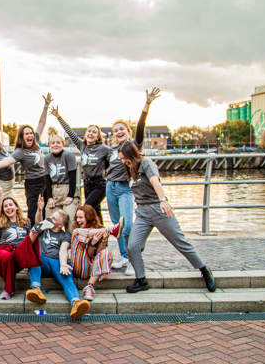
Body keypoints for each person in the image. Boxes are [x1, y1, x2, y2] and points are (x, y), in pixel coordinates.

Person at [118, 142, 216, 293]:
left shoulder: (146, 163)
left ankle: (204, 270)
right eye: (121, 159)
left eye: (124, 158)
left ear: (132, 154)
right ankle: (141, 279)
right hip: (142, 213)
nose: (123, 161)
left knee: (180, 242)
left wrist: (163, 200)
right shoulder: (130, 169)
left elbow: (154, 181)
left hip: (158, 209)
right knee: (132, 246)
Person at [0, 94, 53, 225]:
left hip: (33, 182)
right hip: (4, 188)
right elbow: (0, 166)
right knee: (2, 215)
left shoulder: (3, 148)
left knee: (20, 212)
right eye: (26, 133)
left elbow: (41, 123)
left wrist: (46, 106)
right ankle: (0, 236)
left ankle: (20, 234)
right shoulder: (10, 154)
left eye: (30, 133)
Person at [107, 87, 160, 276]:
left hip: (124, 188)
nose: (119, 132)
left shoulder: (133, 145)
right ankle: (123, 255)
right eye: (116, 130)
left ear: (127, 131)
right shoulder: (112, 149)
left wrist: (146, 106)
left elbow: (141, 128)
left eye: (122, 129)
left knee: (128, 225)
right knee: (116, 224)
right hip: (110, 187)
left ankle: (132, 258)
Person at [26, 202, 92, 319]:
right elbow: (37, 225)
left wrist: (63, 264)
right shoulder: (44, 229)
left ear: (60, 224)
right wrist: (40, 210)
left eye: (54, 218)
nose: (51, 219)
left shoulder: (65, 235)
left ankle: (76, 303)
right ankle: (36, 289)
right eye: (51, 217)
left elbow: (63, 250)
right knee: (35, 257)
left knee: (67, 275)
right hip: (43, 263)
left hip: (57, 261)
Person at [50, 105, 111, 222]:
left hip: (100, 184)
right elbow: (70, 132)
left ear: (98, 136)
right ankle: (101, 236)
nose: (91, 134)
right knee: (95, 211)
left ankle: (92, 234)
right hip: (87, 184)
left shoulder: (104, 149)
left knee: (87, 208)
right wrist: (58, 117)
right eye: (89, 131)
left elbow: (112, 161)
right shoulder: (82, 146)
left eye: (94, 132)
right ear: (85, 134)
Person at [0, 181, 42, 300]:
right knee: (6, 255)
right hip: (4, 251)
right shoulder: (0, 223)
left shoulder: (26, 222)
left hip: (21, 252)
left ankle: (36, 288)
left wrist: (39, 210)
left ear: (16, 207)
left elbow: (36, 228)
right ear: (3, 210)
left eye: (10, 205)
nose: (8, 208)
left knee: (34, 233)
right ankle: (8, 290)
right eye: (5, 206)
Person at [68, 205, 123, 301]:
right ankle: (112, 230)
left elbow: (96, 255)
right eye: (77, 217)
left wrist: (102, 241)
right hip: (80, 267)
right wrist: (92, 243)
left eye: (81, 217)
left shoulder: (99, 230)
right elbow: (86, 254)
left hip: (93, 269)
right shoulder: (77, 231)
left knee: (106, 252)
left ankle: (89, 287)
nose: (78, 220)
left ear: (89, 218)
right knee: (76, 232)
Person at [43, 133, 80, 221]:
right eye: (53, 143)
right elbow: (47, 179)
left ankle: (71, 234)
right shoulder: (47, 158)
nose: (55, 144)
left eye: (58, 142)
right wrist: (50, 197)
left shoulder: (68, 155)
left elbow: (72, 177)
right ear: (49, 145)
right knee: (50, 221)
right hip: (54, 191)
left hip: (67, 188)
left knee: (70, 220)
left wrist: (70, 195)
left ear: (63, 144)